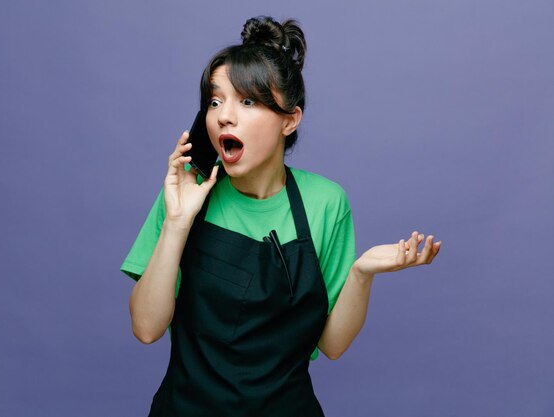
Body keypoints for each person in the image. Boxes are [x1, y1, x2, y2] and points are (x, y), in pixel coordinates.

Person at [121, 16, 441, 417]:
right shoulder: (185, 193)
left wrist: (362, 273)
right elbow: (146, 329)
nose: (224, 116)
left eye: (248, 101)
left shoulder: (325, 203)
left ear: (290, 120)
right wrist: (177, 223)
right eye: (216, 101)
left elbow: (333, 345)